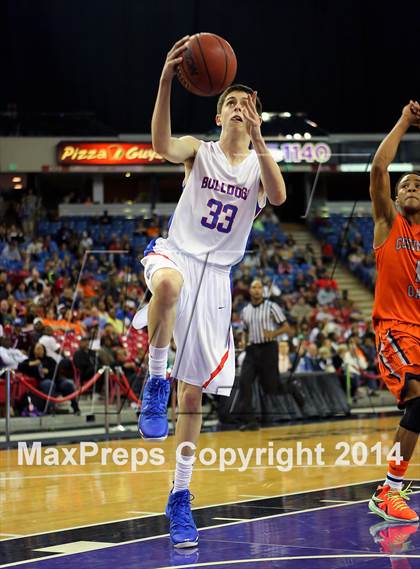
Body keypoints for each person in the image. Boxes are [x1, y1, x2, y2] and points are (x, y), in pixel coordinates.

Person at [132, 35, 286, 548]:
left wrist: (263, 141)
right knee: (168, 287)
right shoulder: (199, 151)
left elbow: (282, 196)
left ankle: (179, 497)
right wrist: (163, 82)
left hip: (217, 280)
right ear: (218, 116)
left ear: (256, 115)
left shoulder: (260, 169)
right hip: (177, 253)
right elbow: (160, 144)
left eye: (247, 104)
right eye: (230, 104)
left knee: (194, 396)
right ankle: (154, 384)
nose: (239, 108)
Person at [367, 100, 420, 523]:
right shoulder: (389, 223)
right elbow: (378, 170)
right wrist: (403, 121)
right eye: (405, 186)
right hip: (395, 330)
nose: (411, 189)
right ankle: (389, 489)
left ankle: (393, 485)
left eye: (418, 185)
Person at [236, 279, 289, 430]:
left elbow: (286, 327)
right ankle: (250, 421)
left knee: (270, 387)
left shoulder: (272, 307)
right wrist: (243, 341)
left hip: (269, 348)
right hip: (252, 350)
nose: (257, 290)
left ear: (263, 291)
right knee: (244, 382)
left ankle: (293, 387)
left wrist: (274, 333)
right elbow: (244, 329)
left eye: (259, 287)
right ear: (250, 290)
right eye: (254, 287)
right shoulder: (245, 310)